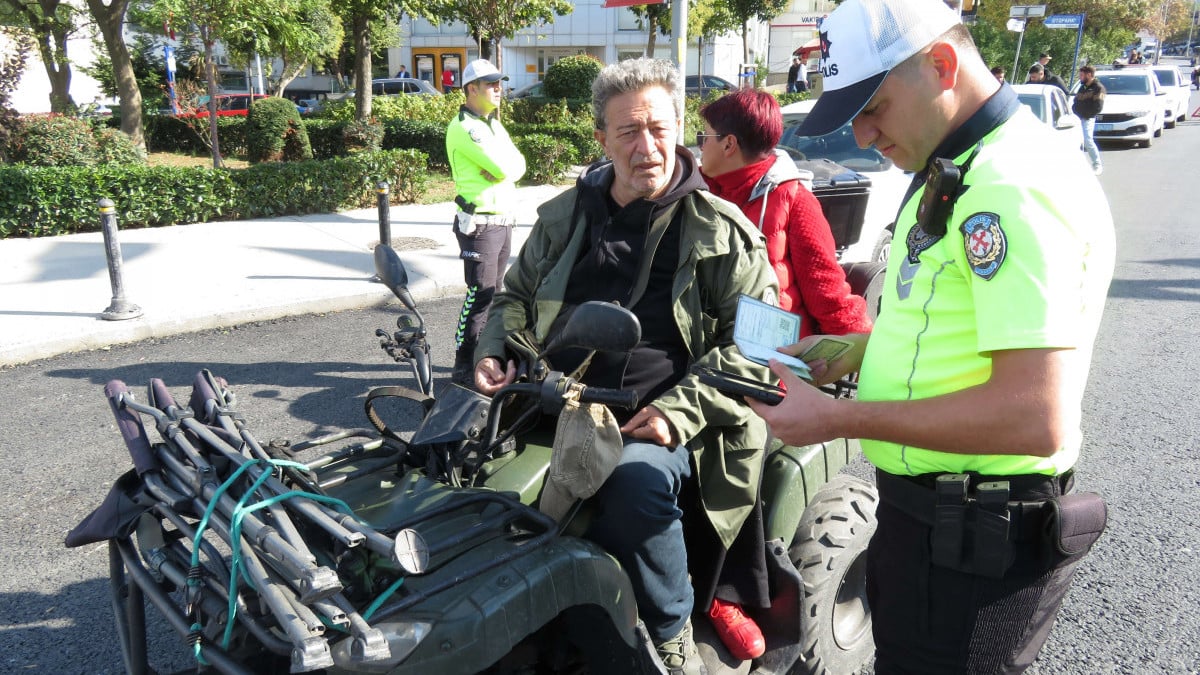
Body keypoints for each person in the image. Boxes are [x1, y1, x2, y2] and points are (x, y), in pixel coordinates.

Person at [748, 0, 1115, 672]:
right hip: (936, 523)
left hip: (975, 540)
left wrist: (838, 419)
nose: (862, 135)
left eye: (874, 107)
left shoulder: (1012, 187)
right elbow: (957, 326)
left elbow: (1038, 418)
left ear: (942, 65)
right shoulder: (961, 162)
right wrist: (856, 352)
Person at [473, 57, 778, 675]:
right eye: (629, 133)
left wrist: (676, 411)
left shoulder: (722, 230)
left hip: (663, 417)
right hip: (549, 395)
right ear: (601, 140)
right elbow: (511, 297)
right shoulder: (564, 218)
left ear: (679, 131)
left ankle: (671, 631)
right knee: (455, 473)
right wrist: (493, 349)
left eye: (660, 129)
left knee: (635, 481)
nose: (648, 148)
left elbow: (762, 342)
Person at [699, 88, 872, 340]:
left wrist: (862, 349)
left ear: (728, 144)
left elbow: (827, 292)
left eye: (703, 137)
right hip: (708, 352)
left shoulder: (794, 199)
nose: (700, 147)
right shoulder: (698, 193)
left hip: (770, 361)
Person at [445, 59, 527, 386]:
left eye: (499, 82)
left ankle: (484, 356)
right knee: (480, 294)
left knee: (495, 294)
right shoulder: (464, 127)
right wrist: (501, 168)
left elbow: (518, 165)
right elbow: (505, 168)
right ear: (471, 89)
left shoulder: (493, 125)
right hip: (479, 225)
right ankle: (463, 363)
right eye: (491, 84)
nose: (498, 89)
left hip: (503, 222)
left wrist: (501, 168)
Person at [1072, 64, 1106, 176]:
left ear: (1089, 75)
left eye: (1081, 75)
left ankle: (1097, 164)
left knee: (1087, 140)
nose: (1080, 77)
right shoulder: (1083, 87)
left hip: (1088, 119)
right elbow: (1076, 102)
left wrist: (1084, 114)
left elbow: (1097, 107)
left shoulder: (1098, 88)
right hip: (1077, 118)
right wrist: (1076, 111)